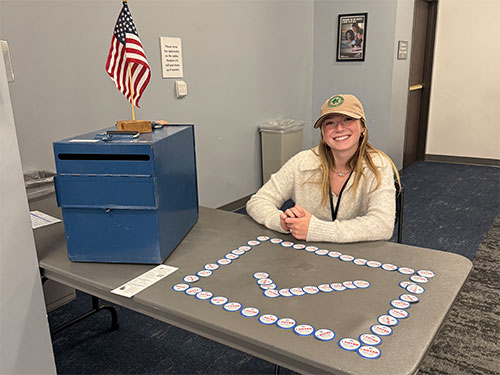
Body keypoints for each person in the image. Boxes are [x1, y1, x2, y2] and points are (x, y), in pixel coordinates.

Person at [246, 94, 400, 243]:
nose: (339, 128)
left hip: (357, 255)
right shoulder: (302, 162)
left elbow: (382, 225)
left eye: (348, 119)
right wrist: (282, 222)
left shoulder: (378, 165)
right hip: (307, 257)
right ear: (323, 134)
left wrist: (315, 230)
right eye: (330, 123)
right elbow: (258, 201)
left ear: (362, 128)